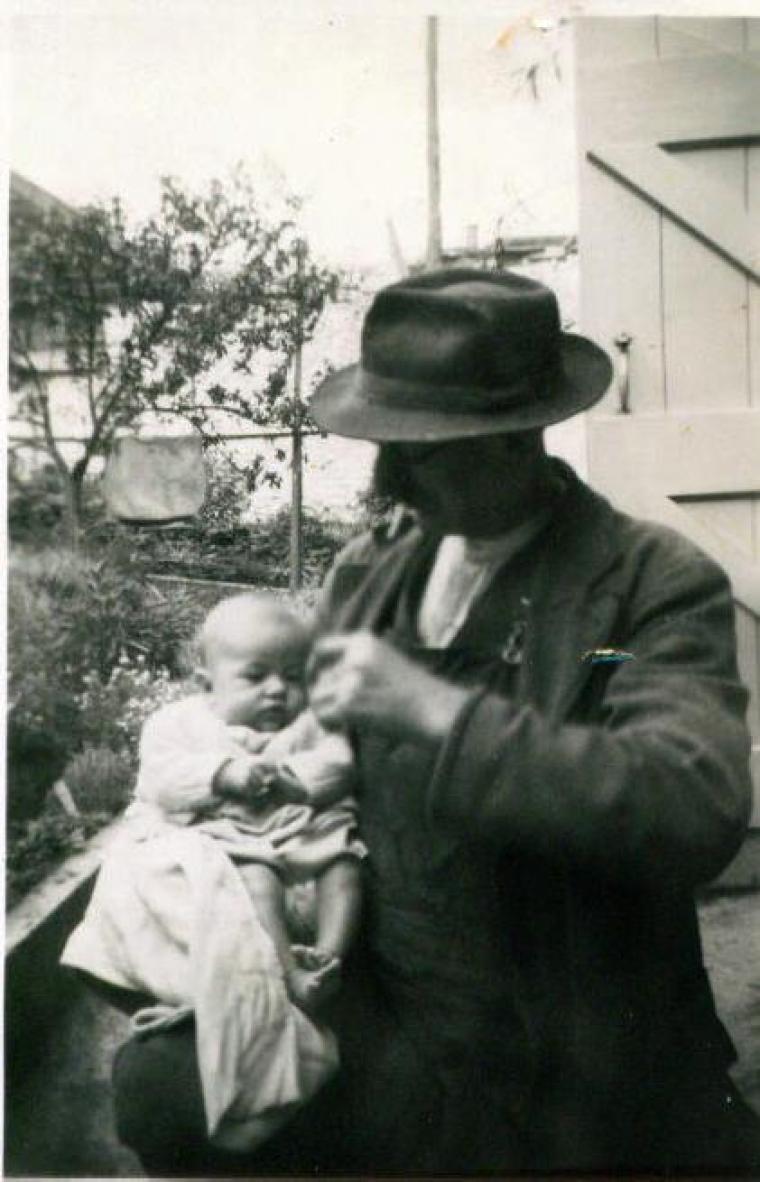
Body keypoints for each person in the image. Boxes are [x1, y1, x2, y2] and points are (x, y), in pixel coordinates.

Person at [110, 269, 759, 1175]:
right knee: (160, 1089)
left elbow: (693, 805)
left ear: (515, 438)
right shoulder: (372, 575)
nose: (387, 477)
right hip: (394, 1013)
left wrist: (433, 710)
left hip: (574, 1045)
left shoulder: (649, 583)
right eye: (386, 444)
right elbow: (307, 771)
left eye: (419, 449)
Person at [63, 593, 364, 1152]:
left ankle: (327, 957)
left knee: (346, 864)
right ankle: (285, 974)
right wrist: (222, 773)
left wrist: (296, 780)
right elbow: (161, 777)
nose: (278, 690)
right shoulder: (177, 722)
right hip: (229, 839)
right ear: (207, 680)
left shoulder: (313, 723)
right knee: (256, 878)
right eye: (256, 676)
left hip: (301, 827)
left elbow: (339, 766)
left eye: (293, 677)